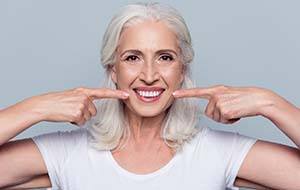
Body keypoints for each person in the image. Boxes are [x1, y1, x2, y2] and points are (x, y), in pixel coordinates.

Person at [0, 2, 300, 190]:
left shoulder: (216, 153)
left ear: (182, 69)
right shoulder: (69, 154)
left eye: (165, 57)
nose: (149, 74)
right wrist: (37, 107)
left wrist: (268, 102)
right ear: (112, 69)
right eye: (132, 58)